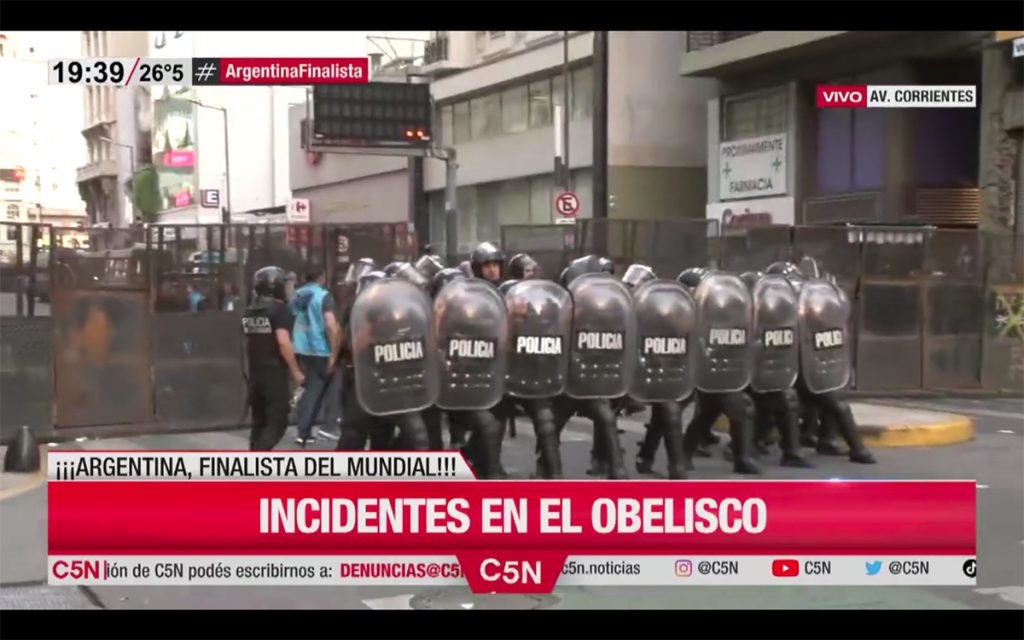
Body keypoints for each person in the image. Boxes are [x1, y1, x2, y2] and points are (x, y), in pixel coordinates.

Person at [242, 266, 305, 450]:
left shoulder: (250, 311)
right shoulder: (279, 310)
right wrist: (295, 371)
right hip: (274, 373)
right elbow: (283, 342)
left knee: (259, 422)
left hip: (255, 373)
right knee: (278, 421)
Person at [290, 266, 341, 447]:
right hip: (321, 349)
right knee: (325, 389)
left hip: (300, 348)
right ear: (321, 277)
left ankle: (305, 431)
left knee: (310, 389)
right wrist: (334, 352)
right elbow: (330, 324)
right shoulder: (323, 296)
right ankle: (325, 427)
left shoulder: (296, 296)